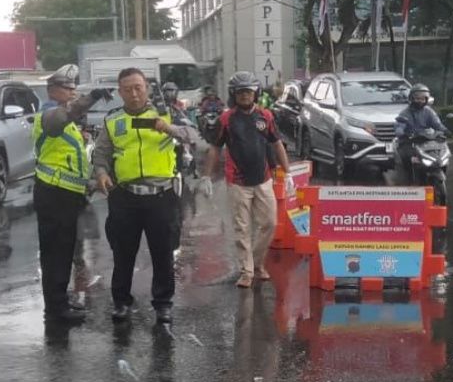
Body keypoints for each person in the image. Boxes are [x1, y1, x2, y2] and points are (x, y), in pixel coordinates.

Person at [93, 67, 197, 324]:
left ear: (147, 88)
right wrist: (101, 173)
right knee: (123, 252)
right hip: (125, 197)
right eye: (127, 89)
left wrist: (167, 128)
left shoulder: (166, 112)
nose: (134, 94)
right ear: (120, 93)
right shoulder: (113, 121)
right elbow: (101, 154)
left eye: (138, 87)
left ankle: (163, 304)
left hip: (161, 196)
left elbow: (193, 136)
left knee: (162, 252)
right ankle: (121, 302)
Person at [33, 64, 110, 324]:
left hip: (67, 194)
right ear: (53, 90)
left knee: (65, 252)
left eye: (76, 88)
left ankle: (59, 300)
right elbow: (62, 118)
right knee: (55, 253)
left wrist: (90, 184)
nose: (73, 92)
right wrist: (92, 98)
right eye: (69, 88)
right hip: (53, 193)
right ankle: (55, 310)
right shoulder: (50, 115)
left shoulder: (70, 123)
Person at [203, 71, 291, 289]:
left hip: (263, 180)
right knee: (242, 229)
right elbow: (216, 147)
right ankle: (247, 271)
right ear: (234, 95)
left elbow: (277, 143)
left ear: (256, 93)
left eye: (249, 92)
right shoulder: (226, 118)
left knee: (269, 223)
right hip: (237, 182)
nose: (245, 96)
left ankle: (258, 263)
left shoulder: (266, 116)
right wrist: (206, 175)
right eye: (240, 92)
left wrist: (286, 171)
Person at [395, 84, 450, 170]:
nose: (420, 101)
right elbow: (399, 127)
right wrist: (401, 133)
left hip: (426, 140)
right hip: (409, 141)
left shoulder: (428, 111)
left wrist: (446, 130)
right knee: (406, 157)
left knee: (440, 154)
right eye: (417, 98)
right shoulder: (405, 113)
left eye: (423, 99)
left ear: (426, 99)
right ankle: (410, 180)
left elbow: (437, 124)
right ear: (411, 99)